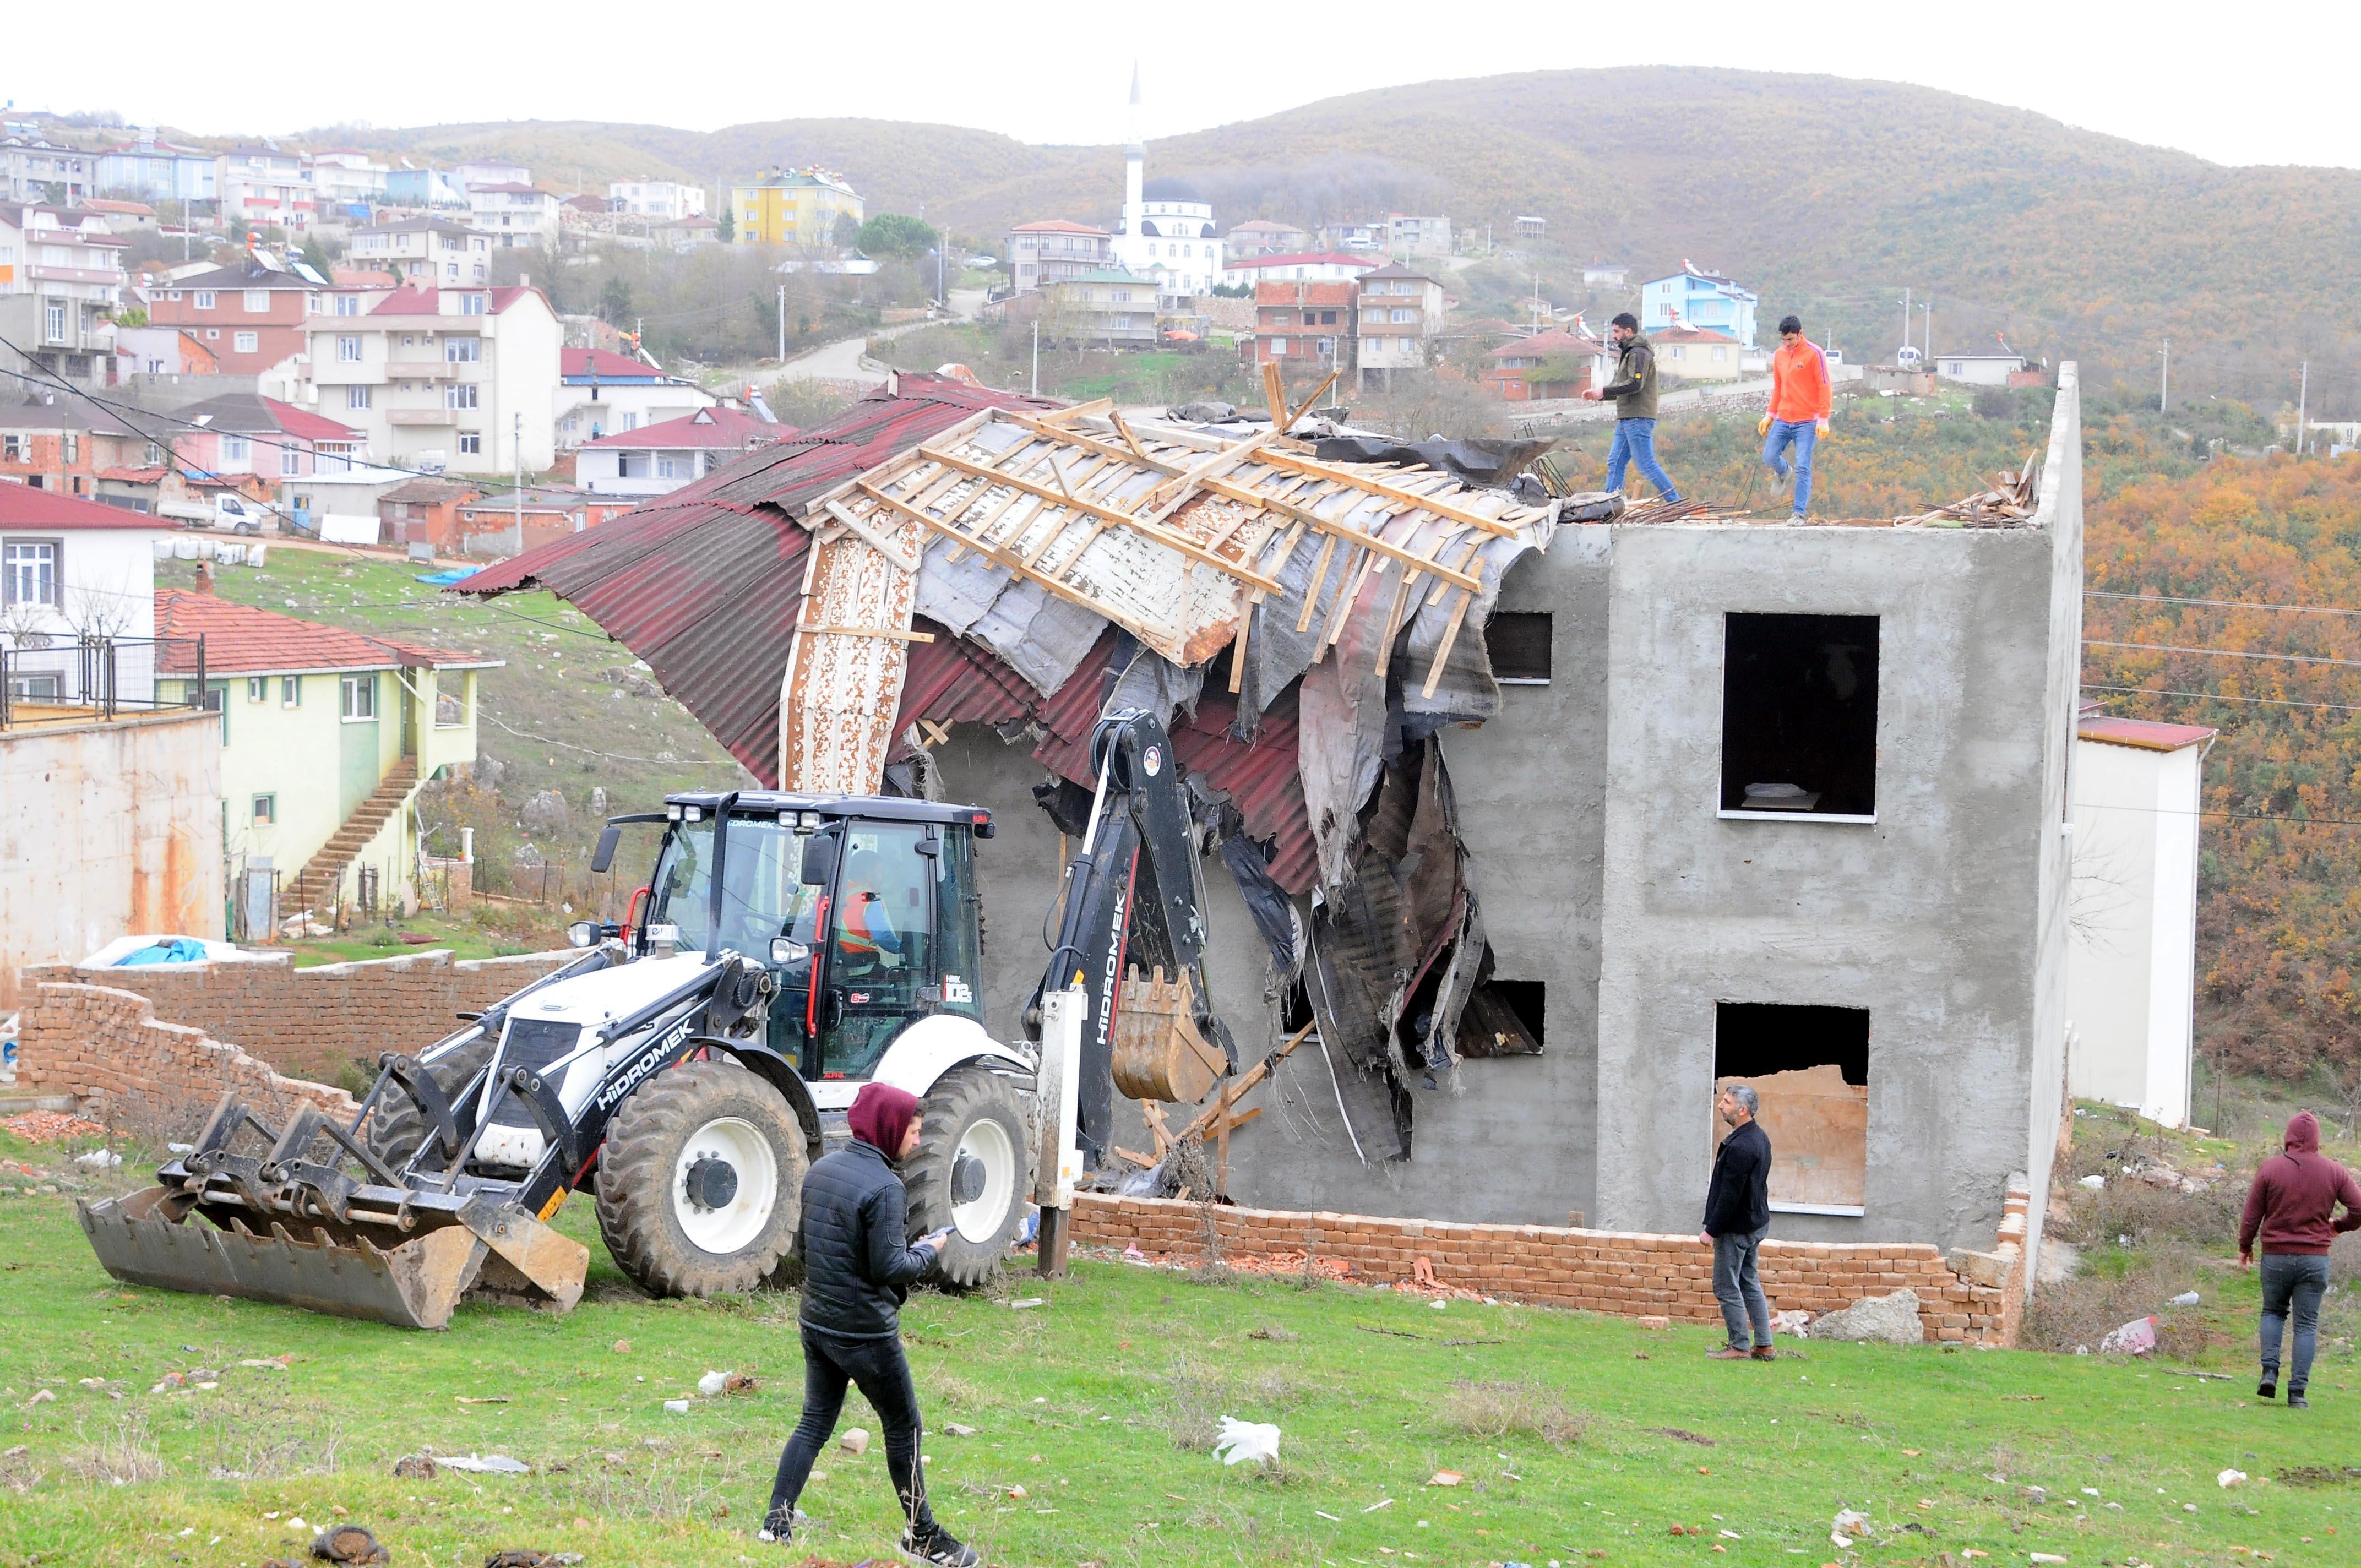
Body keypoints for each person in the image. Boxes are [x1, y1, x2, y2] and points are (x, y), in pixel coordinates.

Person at [763, 1082, 977, 1565]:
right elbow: (890, 1267)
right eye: (914, 1131)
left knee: (815, 1422)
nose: (917, 1141)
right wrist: (930, 1250)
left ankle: (775, 1525)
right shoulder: (886, 1187)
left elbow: (804, 1250)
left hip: (817, 1323)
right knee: (906, 1428)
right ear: (891, 1128)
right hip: (865, 1334)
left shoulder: (820, 1171)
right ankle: (922, 1536)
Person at [2238, 1110, 2361, 1409]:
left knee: (2273, 1313)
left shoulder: (2270, 1169)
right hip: (2314, 1260)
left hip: (2276, 1258)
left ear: (2288, 1137)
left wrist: (2245, 1246)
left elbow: (2252, 1215)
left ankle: (2269, 1372)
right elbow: (2359, 1210)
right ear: (2318, 1138)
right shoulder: (2334, 1171)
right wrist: (2337, 1227)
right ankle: (2298, 1394)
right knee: (2306, 1325)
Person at [1699, 1083, 1774, 1361]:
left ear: (1742, 1110)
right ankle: (1765, 1345)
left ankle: (1739, 1347)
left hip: (1736, 1228)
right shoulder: (1759, 1137)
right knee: (1749, 1281)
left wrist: (1711, 1230)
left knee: (1726, 1285)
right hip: (1754, 1223)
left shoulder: (1742, 1145)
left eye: (1727, 1102)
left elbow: (1730, 1196)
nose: (1721, 1105)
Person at [1582, 312, 1682, 503]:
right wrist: (1601, 395)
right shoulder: (1630, 353)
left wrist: (1602, 392)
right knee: (1616, 462)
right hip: (1627, 417)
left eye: (1617, 331)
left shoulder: (1638, 353)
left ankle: (1675, 502)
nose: (1614, 336)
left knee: (1646, 465)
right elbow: (1623, 386)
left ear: (1629, 331)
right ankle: (1611, 503)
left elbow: (1635, 385)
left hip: (1638, 418)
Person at [1757, 315, 1831, 519]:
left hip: (1807, 421)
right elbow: (1778, 387)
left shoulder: (1815, 354)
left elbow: (1824, 386)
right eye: (1784, 340)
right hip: (1783, 417)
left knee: (1803, 465)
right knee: (1769, 456)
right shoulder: (1780, 355)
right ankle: (1783, 472)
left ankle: (1798, 513)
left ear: (1800, 334)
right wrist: (1769, 415)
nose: (1787, 344)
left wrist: (1824, 419)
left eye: (1790, 339)